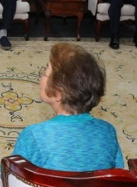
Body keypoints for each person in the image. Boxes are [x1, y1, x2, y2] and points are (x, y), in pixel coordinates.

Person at [12, 42, 124, 171]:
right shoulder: (107, 131)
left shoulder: (34, 135)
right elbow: (118, 173)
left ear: (58, 92)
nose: (41, 77)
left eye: (46, 72)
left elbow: (14, 174)